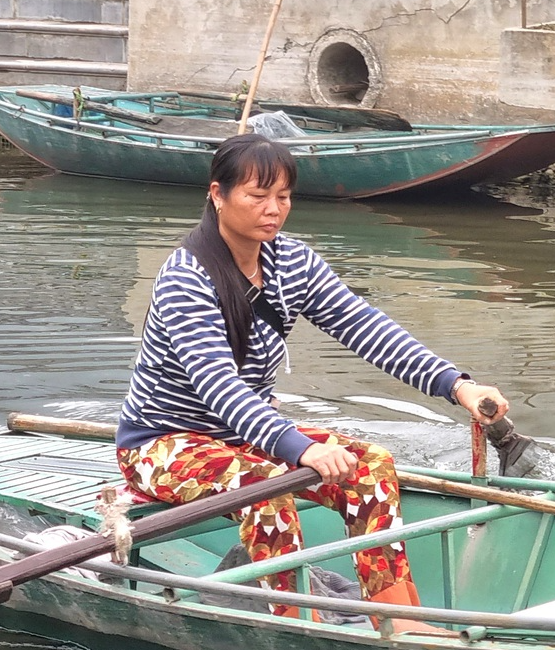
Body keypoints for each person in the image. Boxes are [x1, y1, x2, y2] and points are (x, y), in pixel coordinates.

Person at [115, 133, 506, 624]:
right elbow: (220, 386)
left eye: (283, 197)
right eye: (257, 196)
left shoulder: (292, 262)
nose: (272, 210)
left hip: (244, 437)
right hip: (162, 444)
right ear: (217, 194)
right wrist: (300, 448)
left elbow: (366, 327)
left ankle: (399, 617)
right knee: (266, 486)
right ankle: (297, 620)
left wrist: (457, 385)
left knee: (371, 466)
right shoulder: (186, 277)